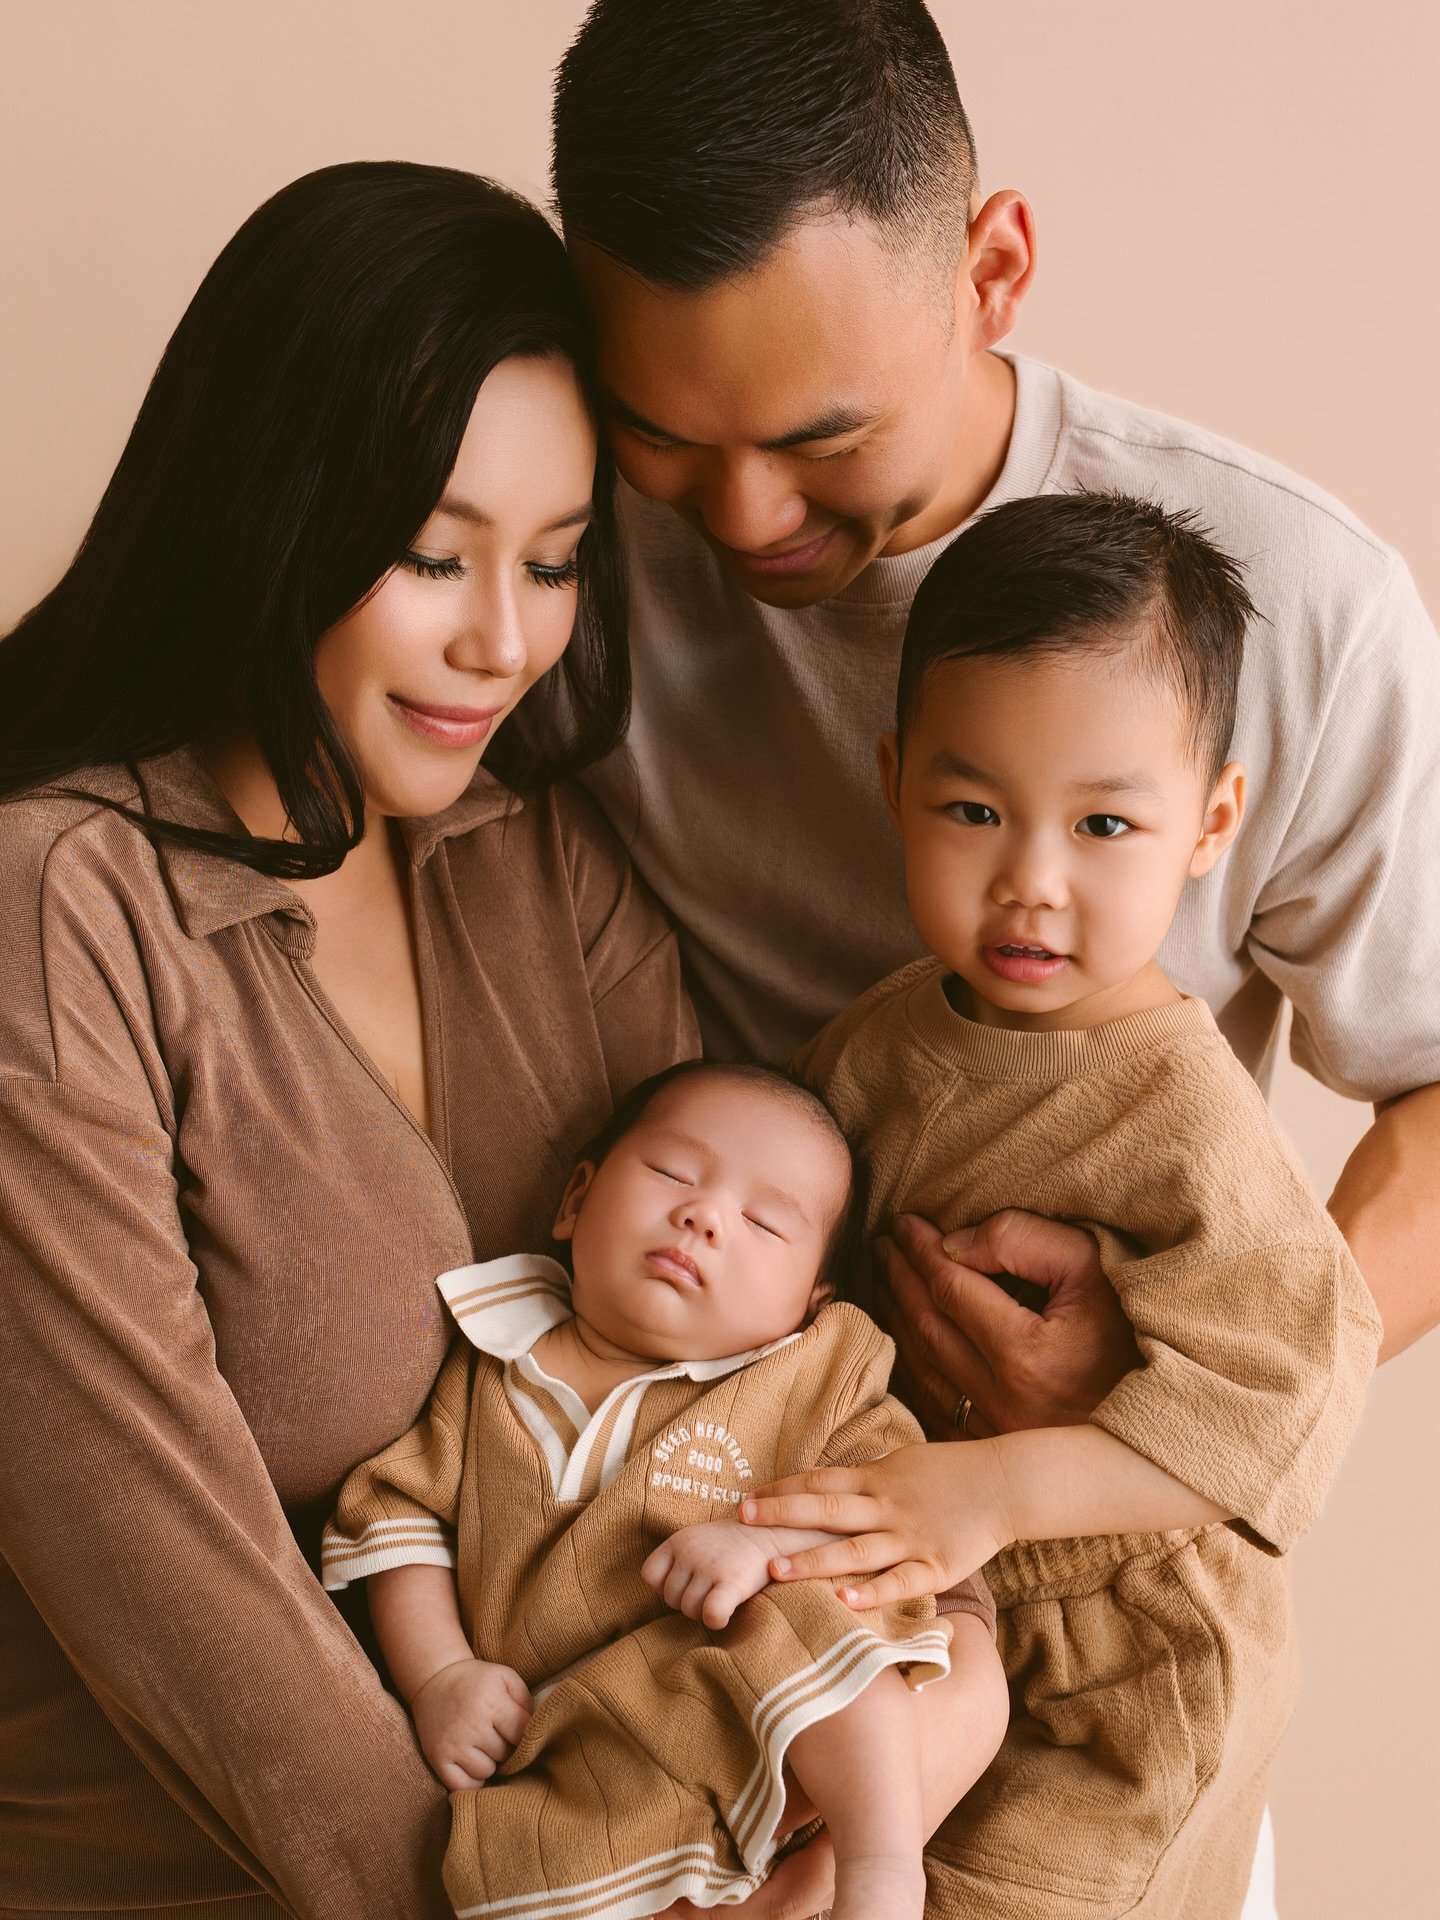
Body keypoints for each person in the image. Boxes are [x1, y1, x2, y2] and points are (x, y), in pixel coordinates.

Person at [548, 10, 1439, 1905]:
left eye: (821, 438)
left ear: (993, 269)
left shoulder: (1291, 605)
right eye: (670, 438)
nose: (746, 519)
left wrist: (1143, 1411)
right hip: (771, 1550)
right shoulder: (561, 553)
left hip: (1107, 1621)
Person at [0, 160, 705, 1918]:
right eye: (428, 555)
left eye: (555, 561)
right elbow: (176, 1590)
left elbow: (757, 1349)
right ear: (275, 511)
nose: (503, 640)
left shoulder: (544, 860)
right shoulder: (61, 911)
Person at [737, 490, 1382, 1918]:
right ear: (894, 780)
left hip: (1125, 1667)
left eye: (1104, 824)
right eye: (974, 811)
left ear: (1211, 823)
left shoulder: (1182, 1109)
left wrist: (999, 1487)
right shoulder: (874, 1045)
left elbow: (1279, 1412)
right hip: (919, 1611)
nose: (1032, 883)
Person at [322, 1061, 1007, 1920]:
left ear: (809, 1302)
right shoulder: (492, 1355)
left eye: (763, 1222)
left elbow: (893, 1514)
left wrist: (764, 1547)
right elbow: (402, 1520)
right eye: (672, 1173)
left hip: (763, 1706)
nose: (705, 1215)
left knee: (813, 1616)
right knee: (521, 1860)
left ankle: (879, 1873)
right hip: (582, 1744)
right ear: (576, 1200)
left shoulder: (815, 1378)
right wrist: (441, 1675)